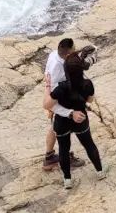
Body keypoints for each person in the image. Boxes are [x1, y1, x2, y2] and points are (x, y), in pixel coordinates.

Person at [44, 53, 106, 189]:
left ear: (65, 69)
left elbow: (47, 105)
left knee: (64, 149)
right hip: (81, 119)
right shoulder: (88, 84)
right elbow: (90, 100)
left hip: (62, 120)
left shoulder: (61, 87)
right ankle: (100, 171)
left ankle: (67, 180)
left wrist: (48, 88)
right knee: (89, 144)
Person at [42, 39, 86, 172]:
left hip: (53, 93)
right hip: (58, 99)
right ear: (67, 54)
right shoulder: (58, 69)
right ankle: (64, 159)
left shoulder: (54, 54)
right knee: (62, 131)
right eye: (73, 49)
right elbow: (53, 96)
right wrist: (68, 112)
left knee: (54, 128)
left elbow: (46, 76)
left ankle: (49, 157)